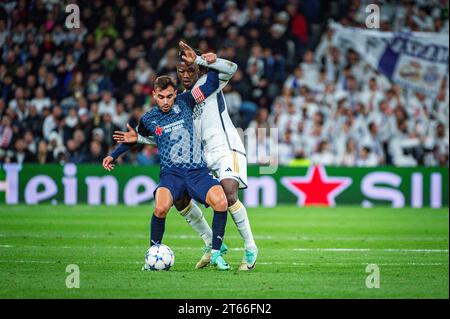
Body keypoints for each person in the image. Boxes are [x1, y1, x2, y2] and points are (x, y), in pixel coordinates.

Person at [114, 41, 258, 271]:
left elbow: (231, 68)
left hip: (225, 148)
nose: (186, 74)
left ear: (198, 68)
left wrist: (203, 59)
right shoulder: (181, 99)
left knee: (228, 195)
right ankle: (212, 244)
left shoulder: (209, 81)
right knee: (181, 199)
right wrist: (138, 140)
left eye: (190, 69)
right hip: (201, 157)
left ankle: (250, 247)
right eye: (181, 71)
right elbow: (167, 135)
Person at [103, 67, 231, 270]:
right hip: (171, 174)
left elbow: (211, 85)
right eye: (161, 97)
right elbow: (134, 138)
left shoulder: (186, 101)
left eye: (169, 96)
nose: (165, 101)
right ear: (154, 95)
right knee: (160, 208)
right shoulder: (148, 119)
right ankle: (152, 255)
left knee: (222, 202)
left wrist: (211, 64)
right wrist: (114, 154)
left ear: (176, 94)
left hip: (197, 170)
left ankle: (216, 253)